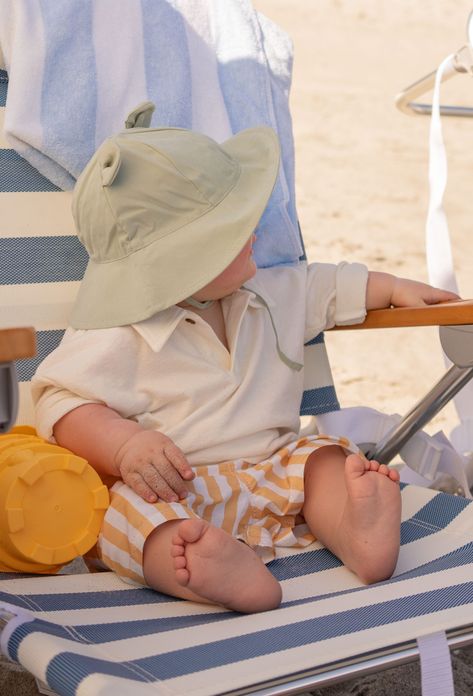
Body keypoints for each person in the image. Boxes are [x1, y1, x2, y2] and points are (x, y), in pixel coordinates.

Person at [32, 123, 458, 614]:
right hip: (180, 492)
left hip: (275, 469)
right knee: (121, 515)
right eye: (233, 231)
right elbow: (58, 399)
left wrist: (397, 289)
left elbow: (331, 286)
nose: (254, 232)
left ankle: (357, 534)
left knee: (321, 457)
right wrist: (124, 445)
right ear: (183, 264)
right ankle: (206, 570)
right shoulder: (115, 333)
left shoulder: (270, 294)